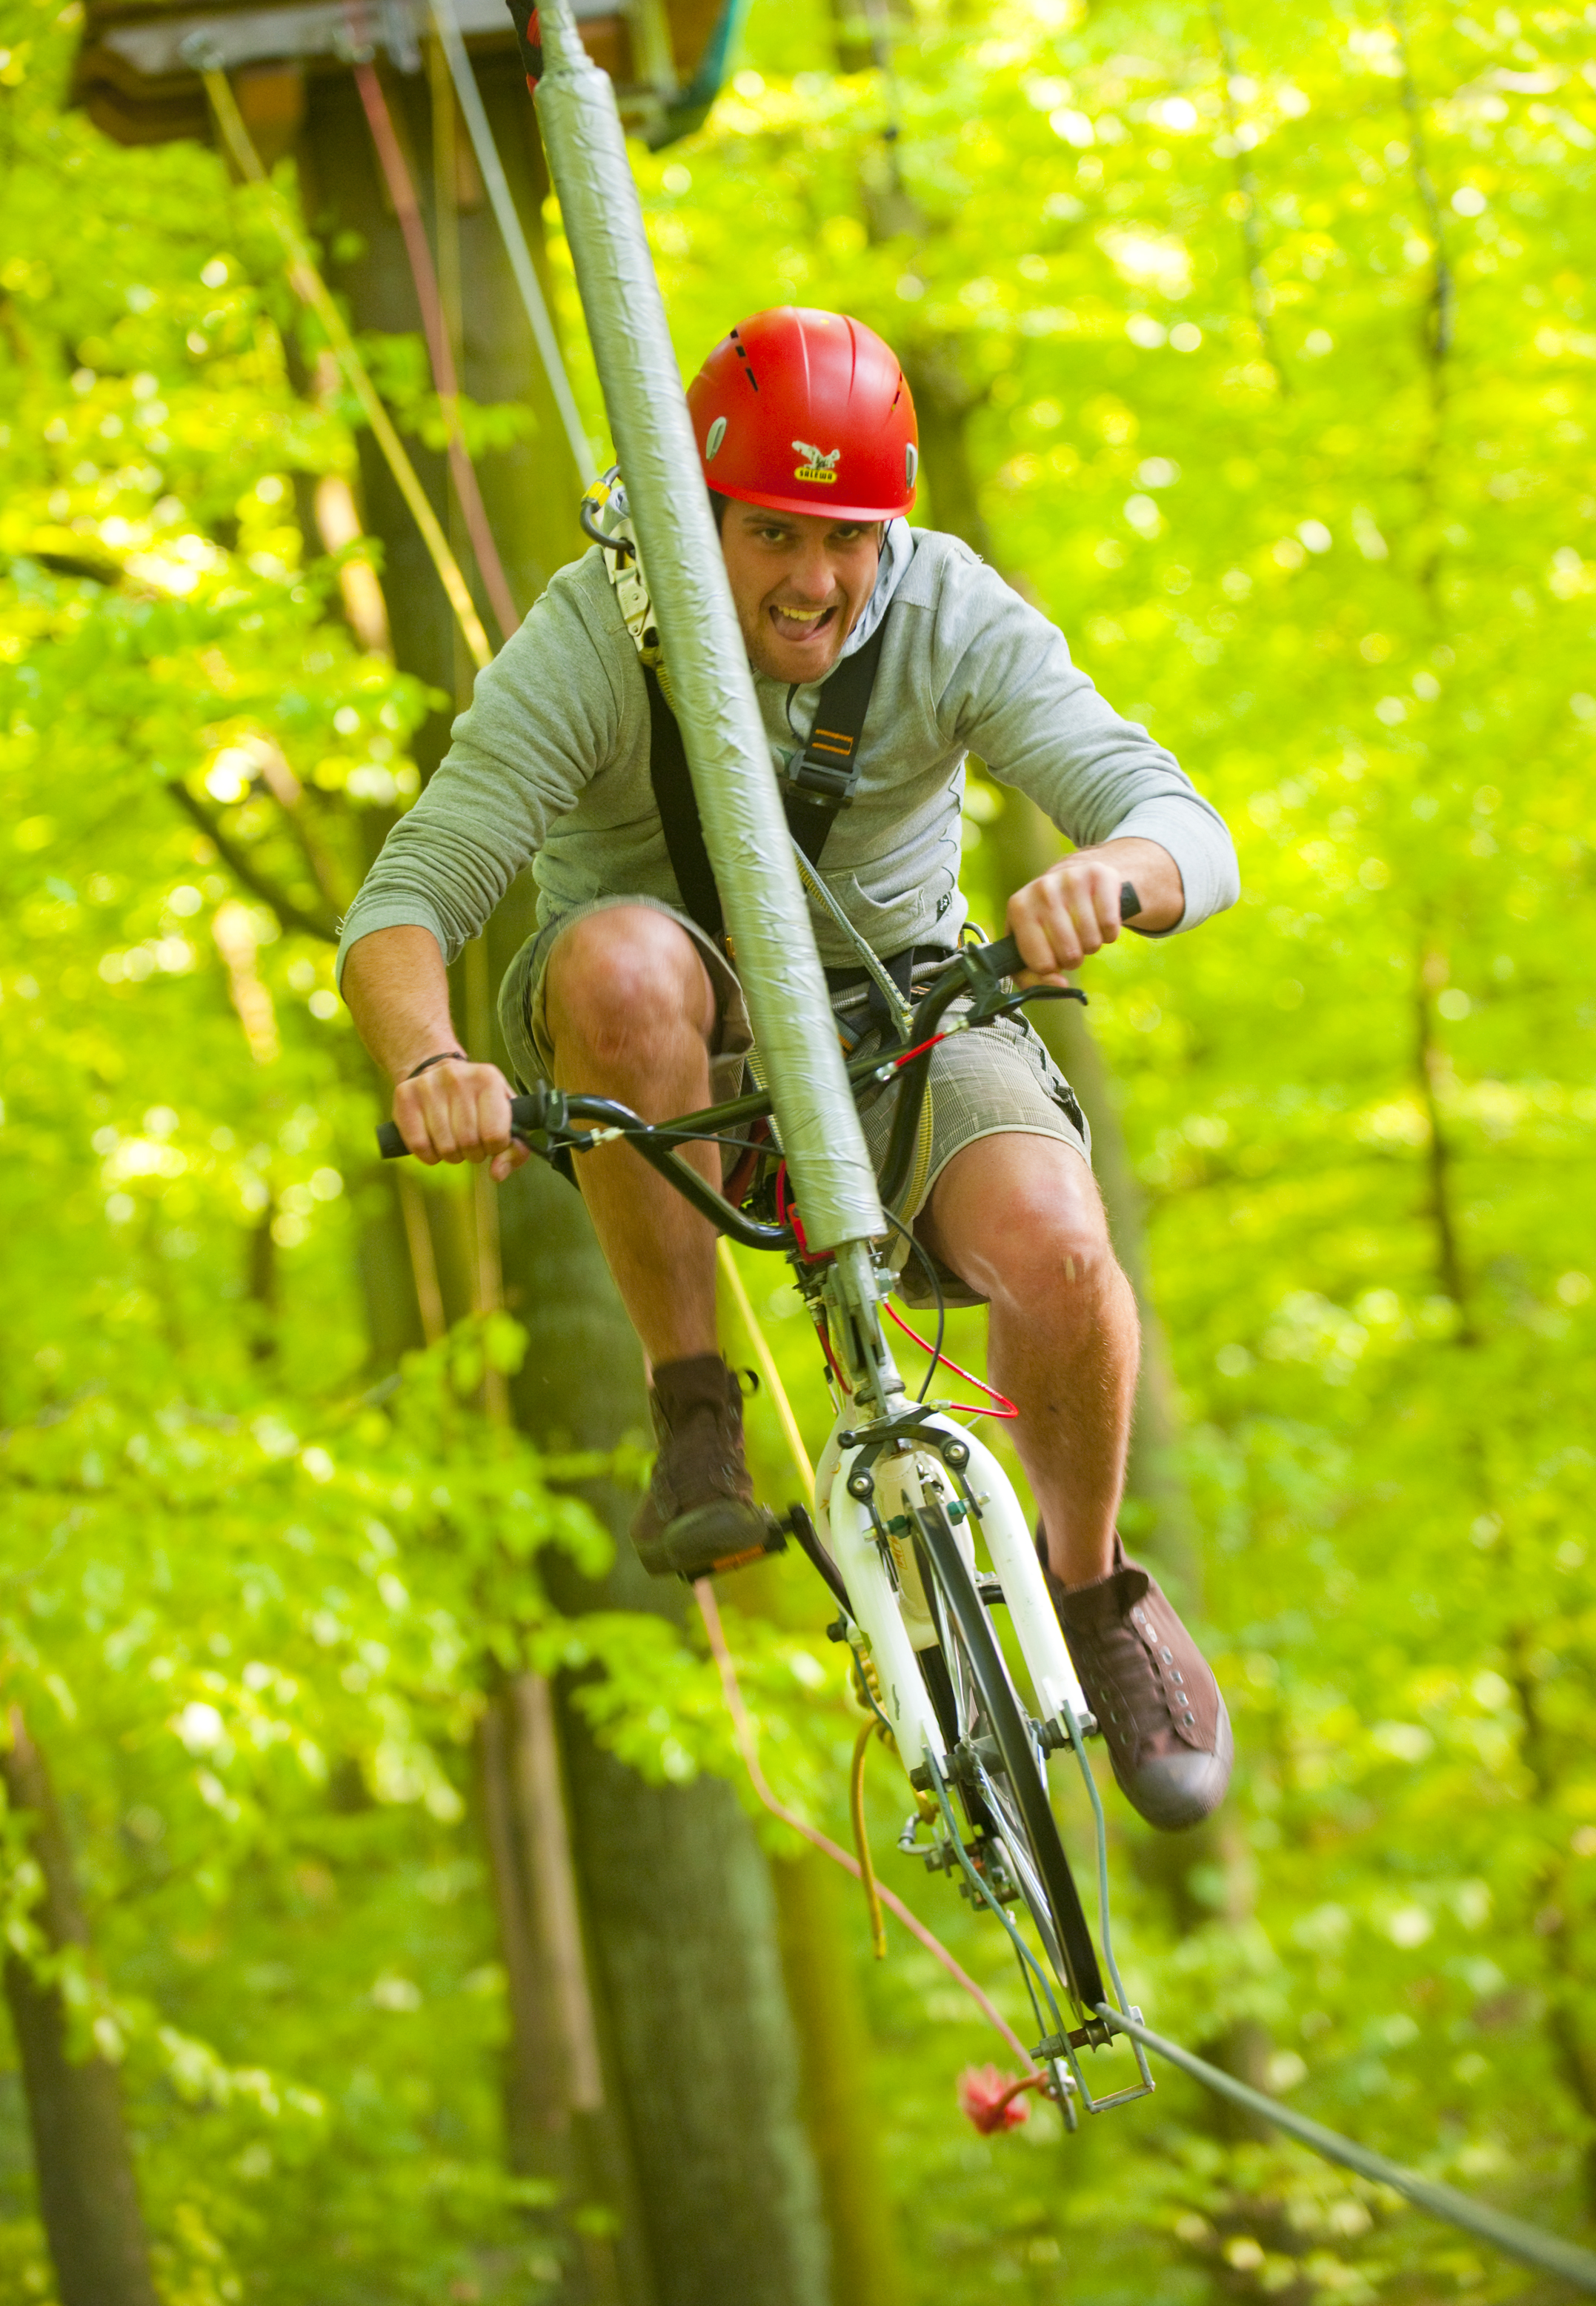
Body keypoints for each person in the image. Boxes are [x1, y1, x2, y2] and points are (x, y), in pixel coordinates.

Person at [338, 308, 1240, 1835]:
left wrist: (1126, 873)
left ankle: (1093, 1594)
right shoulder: (588, 638)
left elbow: (1179, 817)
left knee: (1064, 1249)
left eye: (849, 537)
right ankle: (692, 1400)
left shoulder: (948, 612)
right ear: (697, 517)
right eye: (771, 532)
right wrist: (428, 1059)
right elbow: (405, 902)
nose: (816, 579)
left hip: (904, 1021)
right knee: (615, 952)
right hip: (668, 1063)